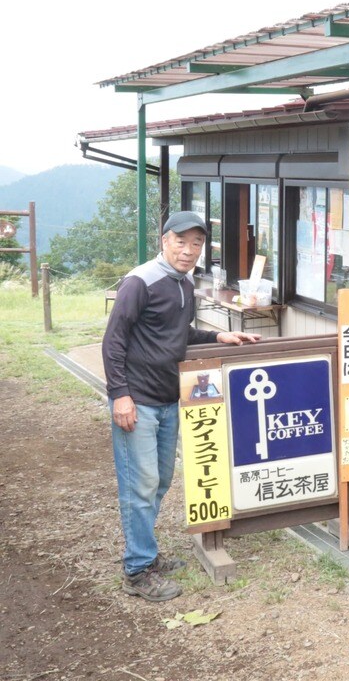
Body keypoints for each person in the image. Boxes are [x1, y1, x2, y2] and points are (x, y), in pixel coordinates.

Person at [103, 211, 261, 602]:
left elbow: (179, 334)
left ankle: (145, 552)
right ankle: (137, 570)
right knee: (140, 485)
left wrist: (218, 337)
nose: (188, 251)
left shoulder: (184, 283)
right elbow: (114, 341)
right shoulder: (140, 282)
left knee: (159, 481)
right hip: (137, 401)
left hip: (168, 399)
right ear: (164, 241)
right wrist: (120, 395)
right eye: (181, 242)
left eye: (196, 244)